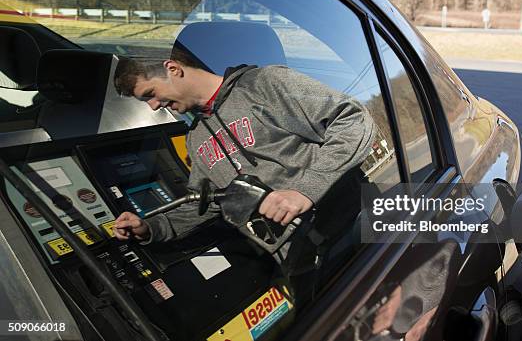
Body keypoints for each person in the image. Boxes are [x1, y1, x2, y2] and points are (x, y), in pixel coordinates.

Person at [111, 44, 376, 274]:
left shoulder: (263, 84)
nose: (153, 106)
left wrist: (303, 191)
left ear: (172, 68)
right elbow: (208, 202)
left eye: (150, 94)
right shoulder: (196, 139)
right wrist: (151, 228)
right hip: (305, 262)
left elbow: (352, 120)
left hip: (361, 229)